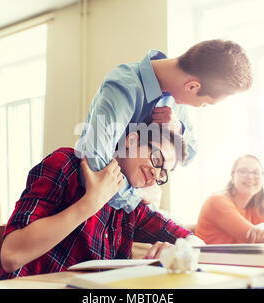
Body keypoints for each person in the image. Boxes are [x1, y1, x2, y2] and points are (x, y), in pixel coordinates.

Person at [0, 125, 204, 278]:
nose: (156, 173)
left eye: (164, 173)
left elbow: (196, 241)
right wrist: (92, 201)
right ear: (131, 141)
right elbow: (11, 255)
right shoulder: (68, 163)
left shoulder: (131, 204)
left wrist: (178, 249)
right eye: (157, 160)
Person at [75, 39, 253, 214]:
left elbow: (189, 155)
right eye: (205, 104)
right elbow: (94, 166)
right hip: (87, 207)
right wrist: (139, 195)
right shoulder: (124, 86)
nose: (200, 107)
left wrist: (179, 128)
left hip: (124, 212)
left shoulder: (175, 99)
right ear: (192, 86)